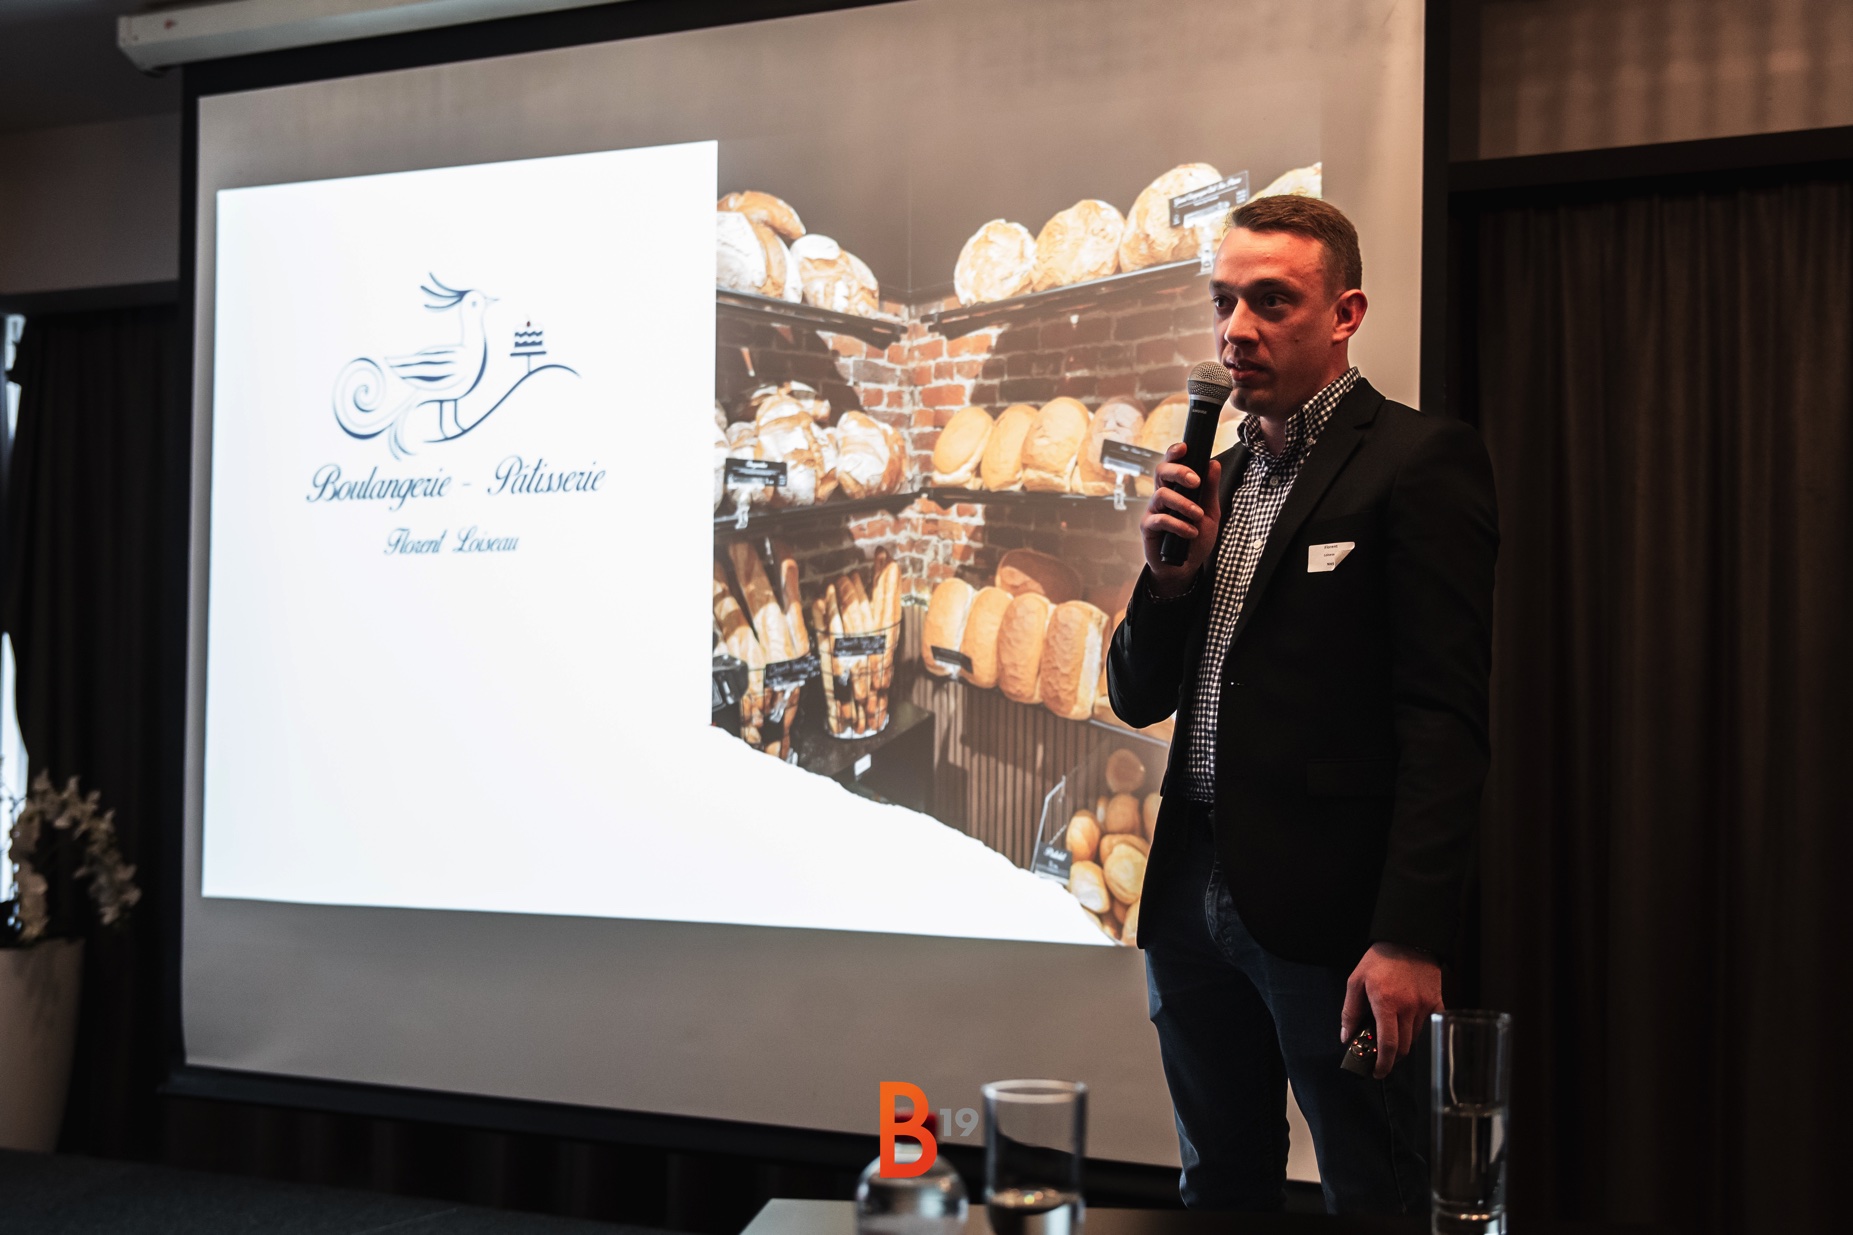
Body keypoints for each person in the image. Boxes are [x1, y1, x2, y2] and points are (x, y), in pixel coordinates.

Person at [1106, 194, 1498, 1214]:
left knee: (1376, 1193)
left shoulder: (1415, 461)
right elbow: (1133, 694)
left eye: (1270, 301)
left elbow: (1442, 720)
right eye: (1222, 302)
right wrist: (1166, 582)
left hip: (1329, 914)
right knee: (1219, 1187)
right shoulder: (1218, 478)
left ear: (1344, 314)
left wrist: (1408, 934)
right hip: (1188, 891)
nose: (1235, 329)